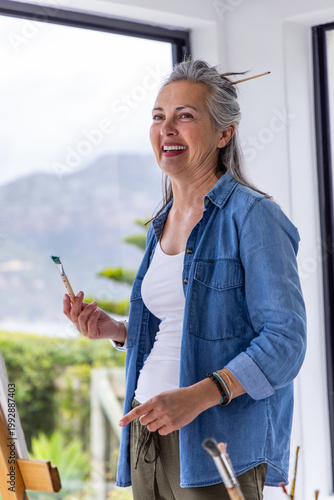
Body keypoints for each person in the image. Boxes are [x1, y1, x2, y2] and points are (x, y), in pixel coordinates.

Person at [63, 60, 307, 500]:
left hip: (215, 443)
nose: (167, 128)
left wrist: (198, 396)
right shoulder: (161, 224)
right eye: (159, 117)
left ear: (224, 133)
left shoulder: (253, 217)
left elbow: (286, 342)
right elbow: (180, 324)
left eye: (185, 116)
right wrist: (117, 331)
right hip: (145, 430)